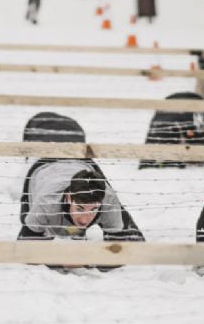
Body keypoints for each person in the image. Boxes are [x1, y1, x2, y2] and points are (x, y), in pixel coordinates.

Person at [18, 112, 144, 270]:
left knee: (133, 238)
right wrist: (62, 262)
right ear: (69, 198)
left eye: (94, 210)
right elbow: (25, 252)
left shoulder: (108, 201)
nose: (85, 219)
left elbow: (127, 250)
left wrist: (90, 261)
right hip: (43, 164)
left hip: (82, 161)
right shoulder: (46, 202)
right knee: (27, 221)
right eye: (80, 208)